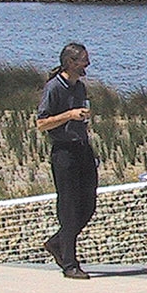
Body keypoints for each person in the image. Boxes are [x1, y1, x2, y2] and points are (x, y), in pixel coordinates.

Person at [37, 43, 98, 280]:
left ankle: (57, 242)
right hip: (64, 153)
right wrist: (68, 116)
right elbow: (41, 123)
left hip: (82, 149)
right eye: (83, 60)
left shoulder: (80, 87)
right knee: (69, 207)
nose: (87, 64)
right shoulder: (54, 87)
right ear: (71, 62)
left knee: (88, 205)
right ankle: (70, 263)